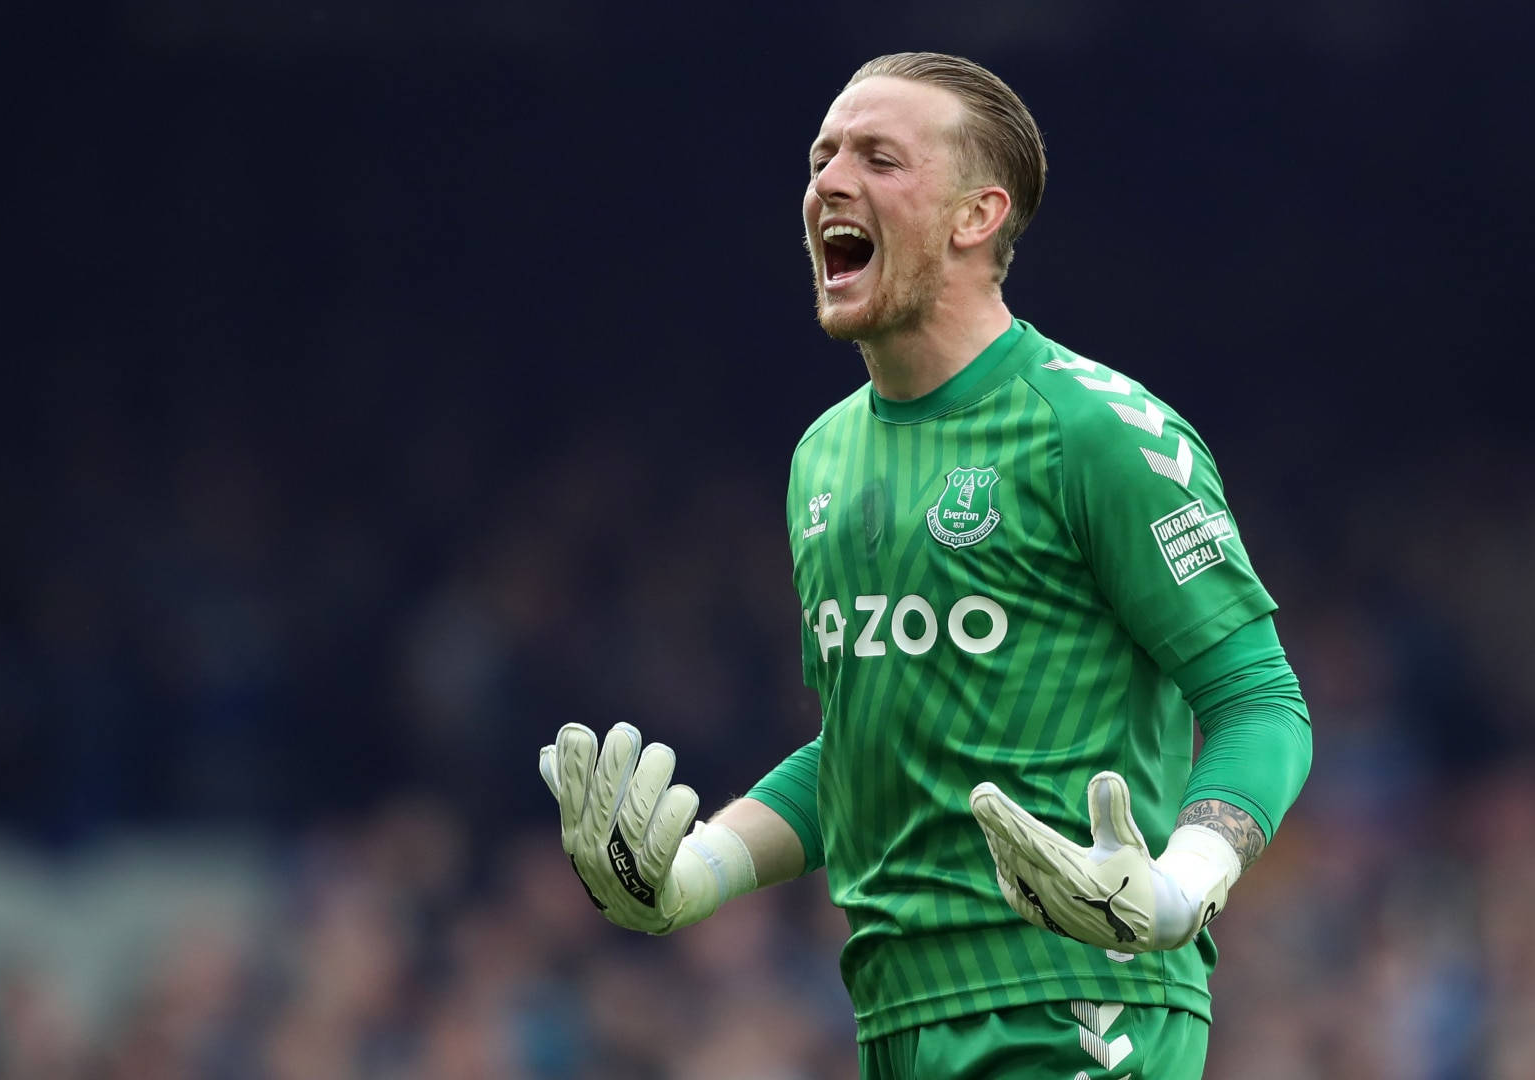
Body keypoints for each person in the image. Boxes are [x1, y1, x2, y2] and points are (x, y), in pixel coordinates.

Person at [539, 52, 1313, 1079]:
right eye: (821, 157)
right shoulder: (823, 456)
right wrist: (695, 874)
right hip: (894, 1016)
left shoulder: (1096, 430)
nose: (828, 182)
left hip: (1076, 999)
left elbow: (1262, 700)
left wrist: (1180, 885)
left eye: (879, 157)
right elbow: (860, 748)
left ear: (976, 215)